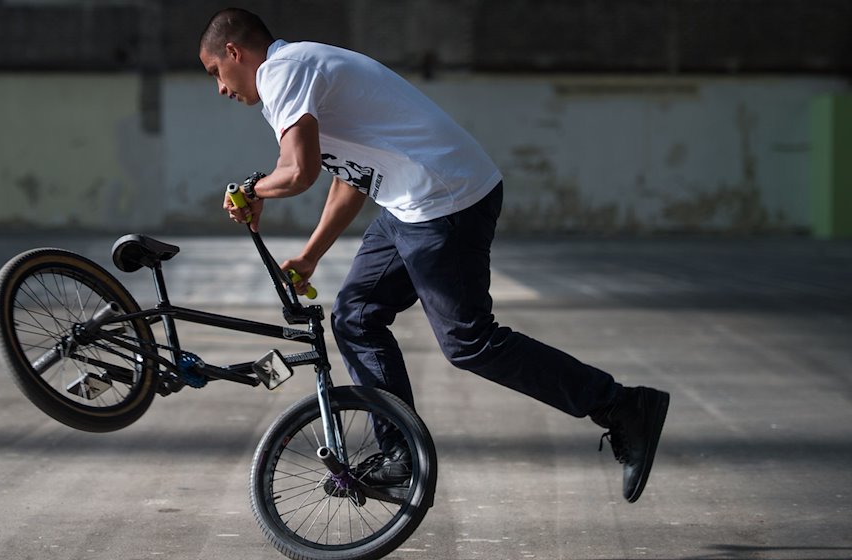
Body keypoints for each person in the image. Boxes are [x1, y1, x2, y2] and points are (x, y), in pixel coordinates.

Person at [199, 7, 669, 503]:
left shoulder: (281, 70)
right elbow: (350, 176)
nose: (222, 89)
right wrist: (312, 254)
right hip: (412, 204)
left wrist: (252, 188)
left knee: (469, 342)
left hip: (444, 201)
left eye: (215, 72)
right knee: (356, 316)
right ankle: (400, 452)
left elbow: (299, 171)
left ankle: (621, 406)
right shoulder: (299, 72)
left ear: (235, 52)